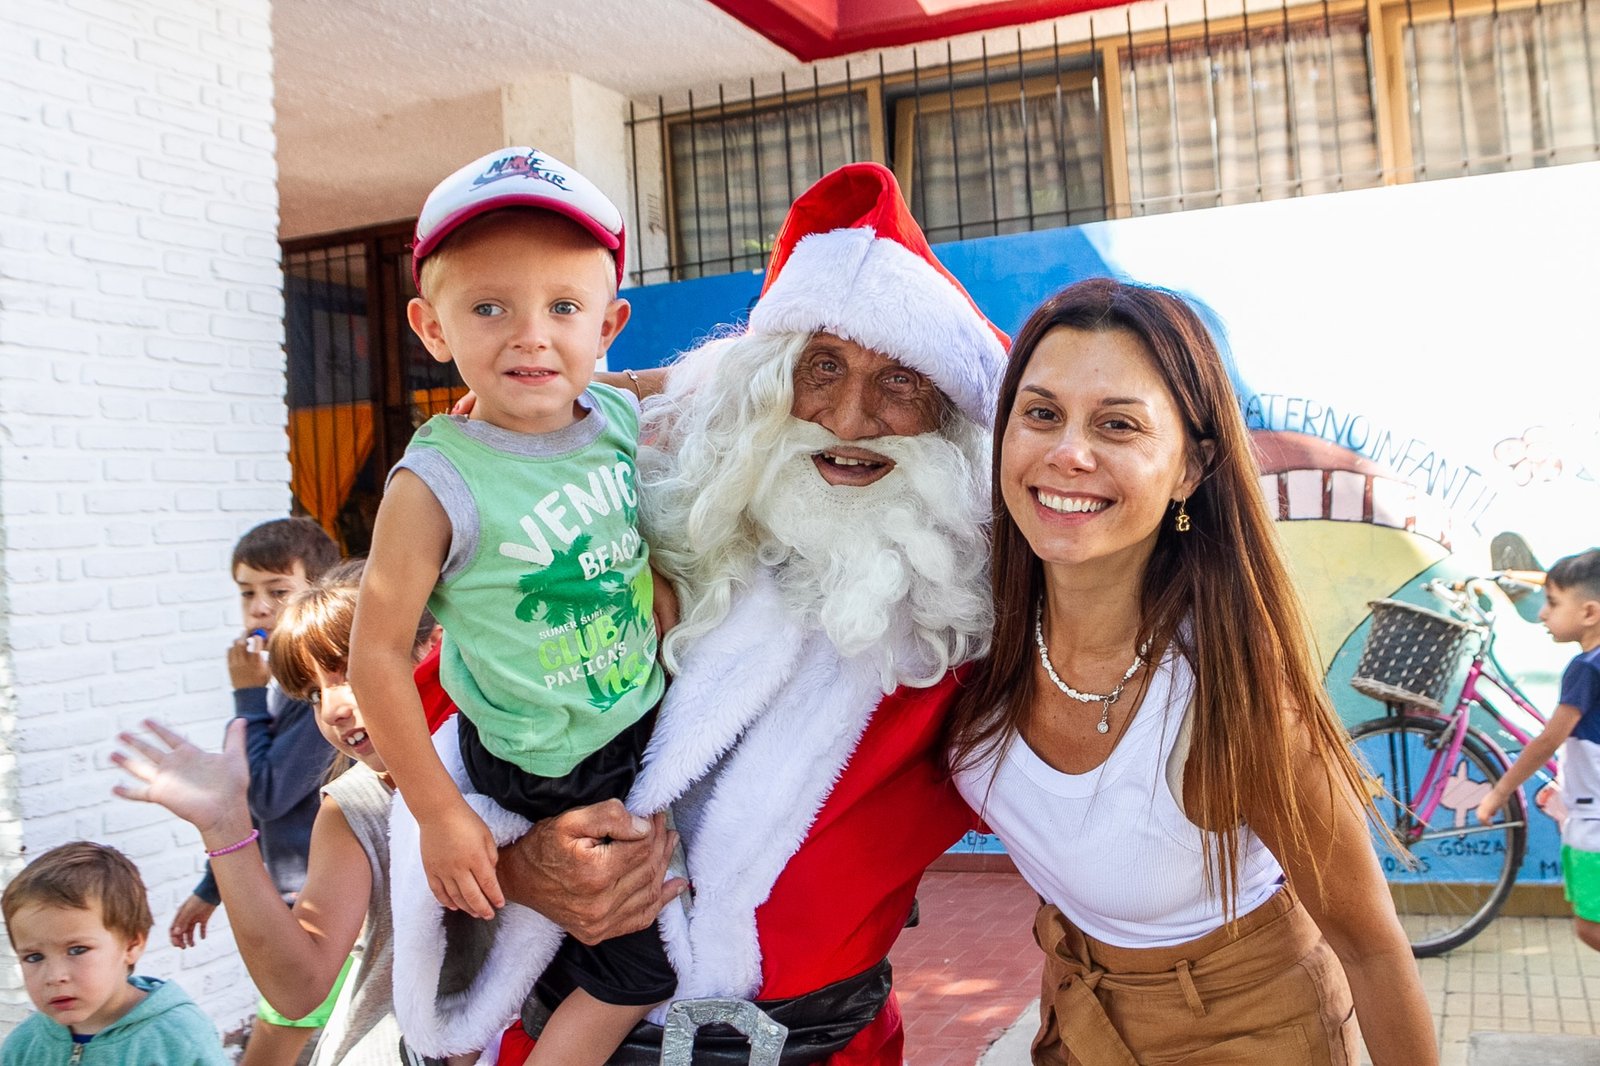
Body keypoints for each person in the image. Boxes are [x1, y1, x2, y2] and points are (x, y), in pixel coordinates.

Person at [422, 161, 1007, 1066]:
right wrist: (515, 868)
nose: (850, 419)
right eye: (820, 366)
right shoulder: (624, 532)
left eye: (901, 381)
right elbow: (415, 756)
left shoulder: (973, 620)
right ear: (761, 383)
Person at [943, 278, 1435, 1065]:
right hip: (1077, 1006)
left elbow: (1371, 948)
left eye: (1118, 424)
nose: (1068, 453)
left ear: (1190, 469)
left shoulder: (1231, 690)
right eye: (1041, 414)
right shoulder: (968, 615)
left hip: (1249, 1028)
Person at [347, 145, 674, 1066]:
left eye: (563, 308)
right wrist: (440, 814)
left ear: (608, 325)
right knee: (634, 973)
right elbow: (376, 656)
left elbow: (689, 384)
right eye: (489, 308)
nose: (531, 336)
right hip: (547, 759)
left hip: (637, 722)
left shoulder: (611, 418)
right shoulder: (437, 480)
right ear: (431, 326)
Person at [110, 561, 446, 1066]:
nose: (332, 709)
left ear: (432, 647)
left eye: (349, 672)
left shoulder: (524, 760)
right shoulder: (352, 808)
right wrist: (223, 824)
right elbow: (297, 988)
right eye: (314, 693)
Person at [173, 515, 342, 1066]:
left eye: (278, 591)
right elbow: (250, 805)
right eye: (248, 593)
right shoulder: (284, 687)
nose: (260, 608)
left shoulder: (318, 697)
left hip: (321, 909)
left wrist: (245, 696)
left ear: (317, 593)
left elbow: (264, 792)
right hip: (290, 902)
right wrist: (211, 887)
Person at [1, 841, 227, 1065]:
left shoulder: (179, 1038)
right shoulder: (24, 1044)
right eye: (34, 957)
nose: (54, 976)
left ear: (131, 946)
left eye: (77, 950)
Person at [1477, 548, 1600, 951]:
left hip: (1594, 822)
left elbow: (1549, 740)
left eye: (1552, 602)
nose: (1543, 614)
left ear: (1589, 612)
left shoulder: (1586, 668)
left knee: (1590, 927)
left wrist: (1499, 791)